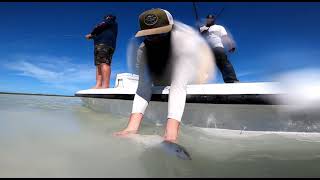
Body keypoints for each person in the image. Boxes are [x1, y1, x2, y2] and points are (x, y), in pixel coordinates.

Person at [114, 8, 215, 142]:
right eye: (149, 35)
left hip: (190, 74)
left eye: (160, 33)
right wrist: (131, 128)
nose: (155, 39)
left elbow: (178, 85)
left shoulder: (184, 43)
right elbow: (143, 87)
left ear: (171, 28)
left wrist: (171, 135)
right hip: (163, 75)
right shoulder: (143, 50)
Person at [200, 14, 239, 83]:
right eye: (208, 19)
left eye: (211, 18)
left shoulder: (219, 27)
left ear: (214, 20)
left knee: (223, 63)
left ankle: (231, 80)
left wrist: (230, 45)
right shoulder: (202, 28)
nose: (209, 20)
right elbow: (198, 37)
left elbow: (225, 37)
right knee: (203, 66)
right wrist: (203, 32)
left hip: (218, 47)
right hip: (206, 50)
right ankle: (200, 82)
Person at [86, 14, 118, 89]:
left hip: (105, 44)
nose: (106, 19)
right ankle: (98, 85)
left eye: (107, 17)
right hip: (98, 45)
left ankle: (105, 86)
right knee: (98, 65)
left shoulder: (110, 22)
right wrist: (91, 36)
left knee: (104, 63)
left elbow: (100, 26)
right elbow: (97, 34)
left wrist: (92, 33)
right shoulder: (104, 28)